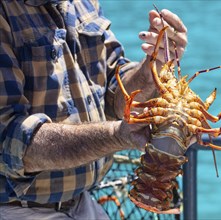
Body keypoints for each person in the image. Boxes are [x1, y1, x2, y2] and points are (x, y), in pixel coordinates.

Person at [0, 0, 188, 219]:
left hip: (81, 203)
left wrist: (150, 71)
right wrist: (116, 136)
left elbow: (113, 89)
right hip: (14, 209)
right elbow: (9, 142)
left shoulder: (82, 4)